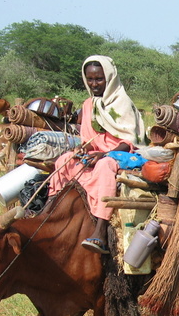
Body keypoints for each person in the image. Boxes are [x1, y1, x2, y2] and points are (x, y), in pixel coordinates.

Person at [48, 55, 145, 254]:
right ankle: (49, 211)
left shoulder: (121, 102)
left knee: (105, 166)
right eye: (90, 79)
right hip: (94, 154)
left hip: (121, 155)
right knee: (63, 160)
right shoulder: (88, 105)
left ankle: (100, 229)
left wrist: (105, 154)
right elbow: (87, 138)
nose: (94, 84)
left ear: (109, 78)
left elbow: (129, 141)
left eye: (99, 79)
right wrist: (83, 150)